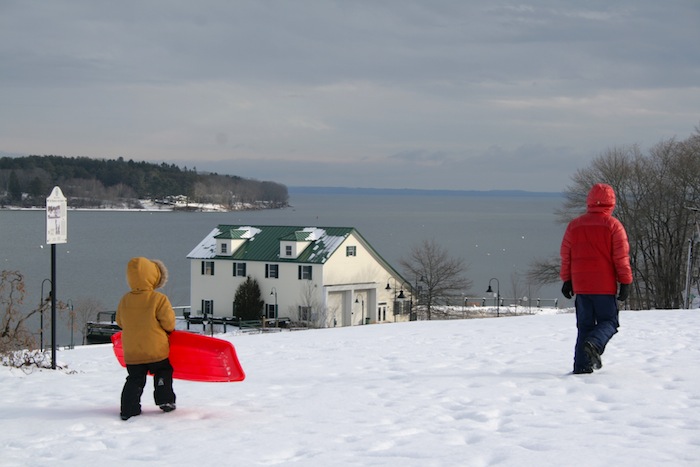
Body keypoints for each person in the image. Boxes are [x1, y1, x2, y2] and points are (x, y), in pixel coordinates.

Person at [560, 183, 633, 374]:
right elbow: (621, 257)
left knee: (584, 327)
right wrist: (625, 281)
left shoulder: (574, 226)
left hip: (582, 288)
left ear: (590, 201)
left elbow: (566, 255)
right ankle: (595, 343)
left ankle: (581, 368)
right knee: (609, 322)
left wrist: (567, 280)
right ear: (611, 203)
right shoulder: (613, 226)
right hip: (604, 287)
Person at [116, 257, 177, 420]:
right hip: (156, 349)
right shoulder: (159, 299)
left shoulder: (125, 300)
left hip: (132, 351)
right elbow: (169, 323)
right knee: (163, 371)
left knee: (134, 378)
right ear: (154, 277)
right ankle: (165, 400)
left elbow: (120, 322)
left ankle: (128, 408)